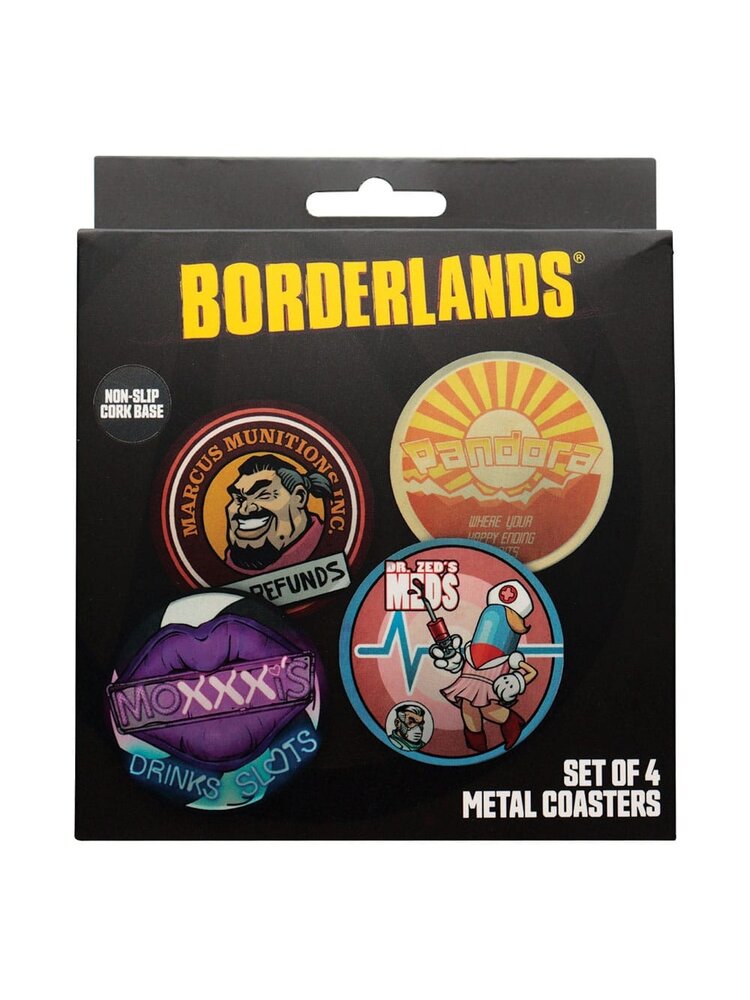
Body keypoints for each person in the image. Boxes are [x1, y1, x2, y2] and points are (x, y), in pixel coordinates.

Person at [430, 580, 538, 752]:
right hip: (470, 675)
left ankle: (511, 723)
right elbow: (466, 658)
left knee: (486, 708)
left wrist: (516, 680)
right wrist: (455, 661)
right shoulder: (472, 649)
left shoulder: (510, 657)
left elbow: (531, 672)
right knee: (468, 707)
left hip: (490, 680)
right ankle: (477, 746)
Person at [225, 455, 333, 574]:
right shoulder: (222, 571)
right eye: (239, 499)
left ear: (299, 497)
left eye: (263, 495)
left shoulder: (330, 546)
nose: (244, 509)